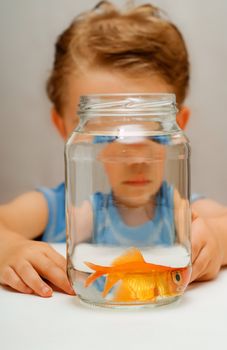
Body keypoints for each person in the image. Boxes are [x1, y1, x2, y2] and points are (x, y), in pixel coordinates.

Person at [0, 1, 226, 298]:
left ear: (177, 126)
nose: (133, 157)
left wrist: (218, 241)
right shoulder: (55, 209)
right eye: (106, 133)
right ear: (65, 127)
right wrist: (9, 248)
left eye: (149, 130)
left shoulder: (186, 213)